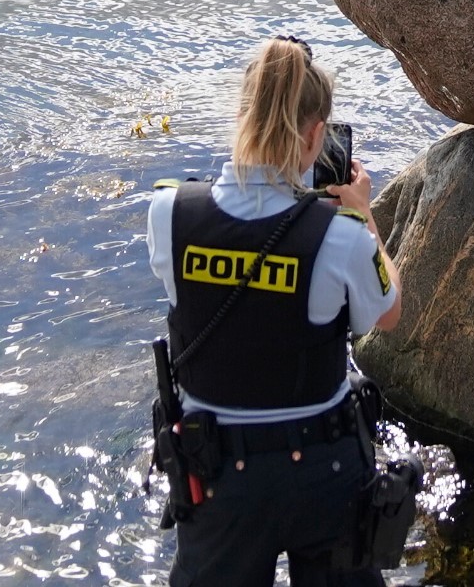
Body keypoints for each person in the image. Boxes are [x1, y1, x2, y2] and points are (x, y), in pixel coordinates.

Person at [147, 35, 402, 587]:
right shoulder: (341, 235)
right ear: (317, 137)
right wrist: (366, 216)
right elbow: (387, 314)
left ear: (241, 115)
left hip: (216, 476)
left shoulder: (169, 213)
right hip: (325, 474)